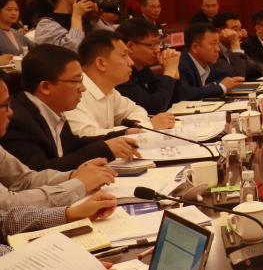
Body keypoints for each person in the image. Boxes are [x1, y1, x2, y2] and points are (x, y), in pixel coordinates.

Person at [2, 45, 140, 171]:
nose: (83, 88)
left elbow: (72, 145)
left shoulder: (51, 109)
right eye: (76, 81)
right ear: (46, 87)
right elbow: (39, 171)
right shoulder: (16, 120)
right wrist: (105, 149)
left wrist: (123, 134)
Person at [0, 80, 114, 212]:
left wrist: (73, 176)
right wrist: (78, 185)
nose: (11, 112)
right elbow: (8, 206)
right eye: (5, 105)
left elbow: (23, 180)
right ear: (46, 86)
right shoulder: (21, 121)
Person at [63, 31, 175, 137]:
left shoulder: (109, 90)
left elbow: (136, 110)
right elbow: (86, 136)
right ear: (101, 63)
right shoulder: (74, 92)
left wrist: (138, 127)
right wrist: (148, 126)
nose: (131, 62)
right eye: (124, 55)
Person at [116, 18, 181, 114]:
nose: (157, 50)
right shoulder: (120, 74)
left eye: (158, 45)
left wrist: (173, 72)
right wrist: (169, 72)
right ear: (130, 46)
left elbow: (175, 100)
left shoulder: (143, 69)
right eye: (152, 45)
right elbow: (153, 109)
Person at [32, 0, 96, 51]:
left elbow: (106, 47)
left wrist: (96, 19)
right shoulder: (46, 25)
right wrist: (77, 16)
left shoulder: (84, 18)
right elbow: (71, 50)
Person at [177, 23, 245, 100]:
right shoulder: (180, 64)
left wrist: (217, 85)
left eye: (218, 44)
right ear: (195, 47)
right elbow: (185, 94)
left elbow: (236, 78)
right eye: (213, 44)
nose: (218, 49)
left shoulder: (209, 63)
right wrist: (221, 87)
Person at [213, 12, 263, 79]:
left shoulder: (231, 48)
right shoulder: (215, 51)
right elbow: (238, 77)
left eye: (240, 29)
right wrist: (235, 45)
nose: (240, 34)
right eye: (235, 30)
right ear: (219, 32)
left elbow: (252, 64)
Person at [0, 0, 31, 65]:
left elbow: (37, 48)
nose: (14, 13)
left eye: (16, 10)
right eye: (9, 9)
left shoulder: (17, 33)